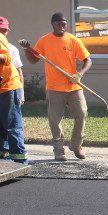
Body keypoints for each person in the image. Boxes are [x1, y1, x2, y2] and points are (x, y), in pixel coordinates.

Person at [21, 12, 92, 161]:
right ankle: (59, 150)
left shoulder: (73, 40)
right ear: (53, 24)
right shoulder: (44, 40)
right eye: (58, 23)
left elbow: (88, 60)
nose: (62, 26)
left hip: (74, 86)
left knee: (81, 114)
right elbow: (33, 60)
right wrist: (27, 49)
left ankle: (76, 145)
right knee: (55, 120)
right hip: (54, 88)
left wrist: (79, 74)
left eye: (64, 24)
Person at [0, 17, 27, 164]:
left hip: (9, 87)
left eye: (4, 30)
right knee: (2, 125)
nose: (3, 33)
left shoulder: (9, 47)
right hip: (3, 88)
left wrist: (21, 92)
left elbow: (8, 60)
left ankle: (19, 160)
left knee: (12, 124)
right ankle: (3, 156)